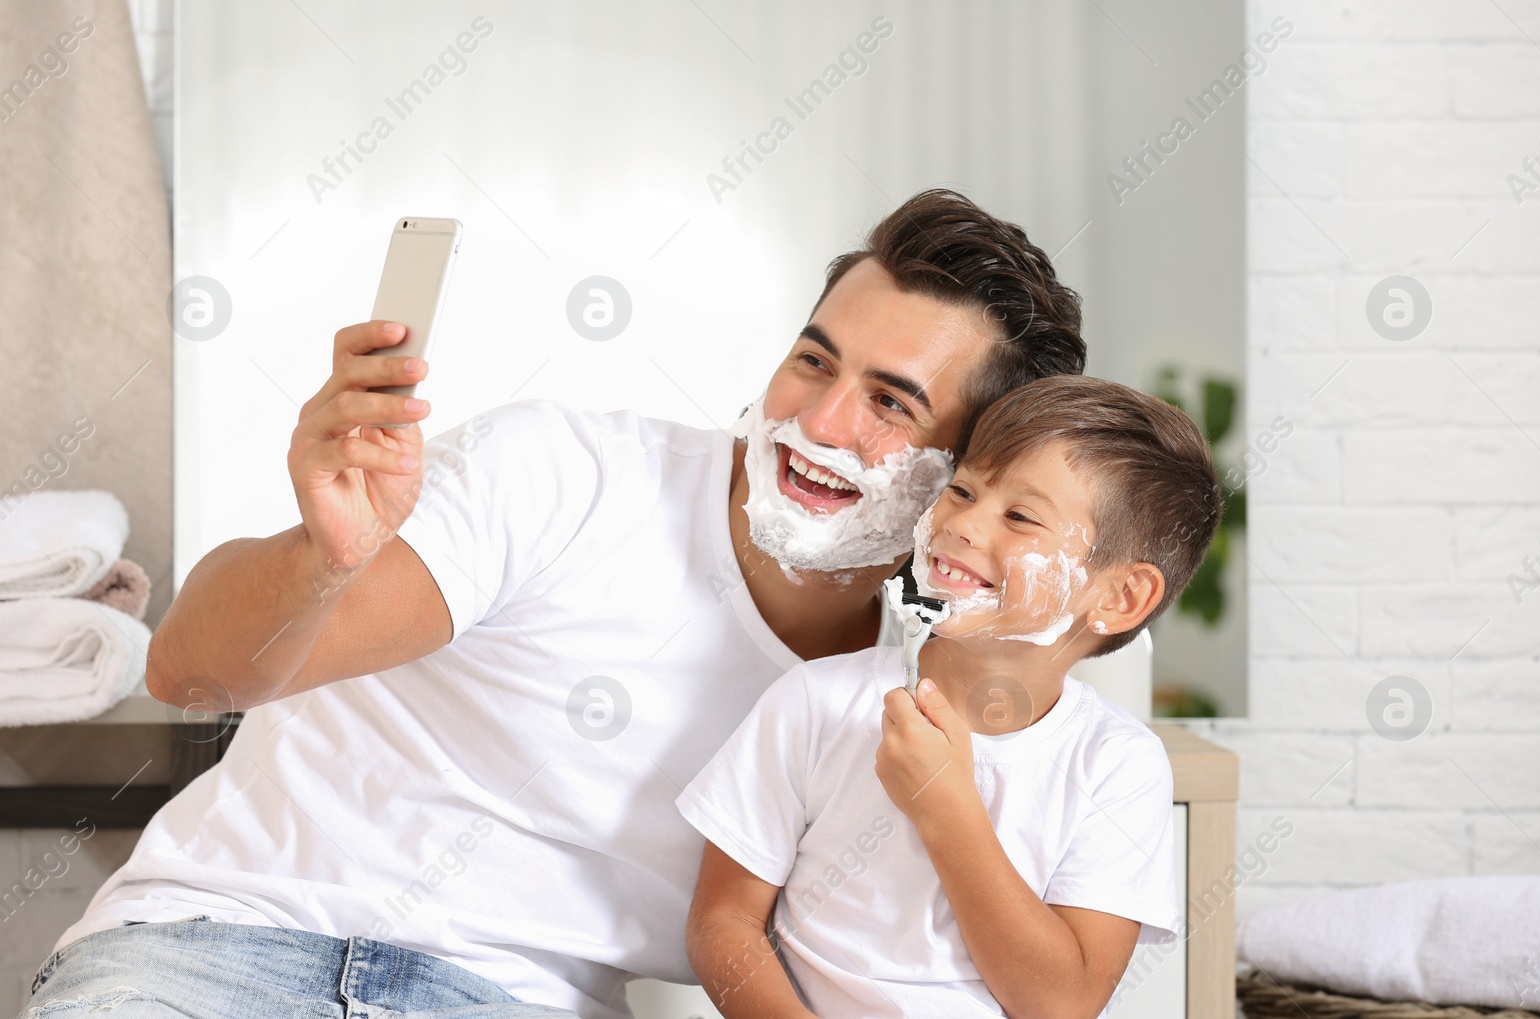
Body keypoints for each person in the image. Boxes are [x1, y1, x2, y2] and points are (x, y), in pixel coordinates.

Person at [21, 190, 1119, 1019]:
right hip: (213, 946)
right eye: (811, 360)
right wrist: (326, 552)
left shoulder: (913, 685)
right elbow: (189, 670)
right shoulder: (566, 472)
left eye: (890, 401)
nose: (821, 421)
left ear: (966, 460)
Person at [679, 374, 1221, 1019]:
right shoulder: (814, 702)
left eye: (1020, 516)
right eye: (961, 489)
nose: (961, 523)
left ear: (1119, 597)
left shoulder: (1118, 766)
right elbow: (723, 921)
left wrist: (947, 808)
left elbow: (1063, 1003)